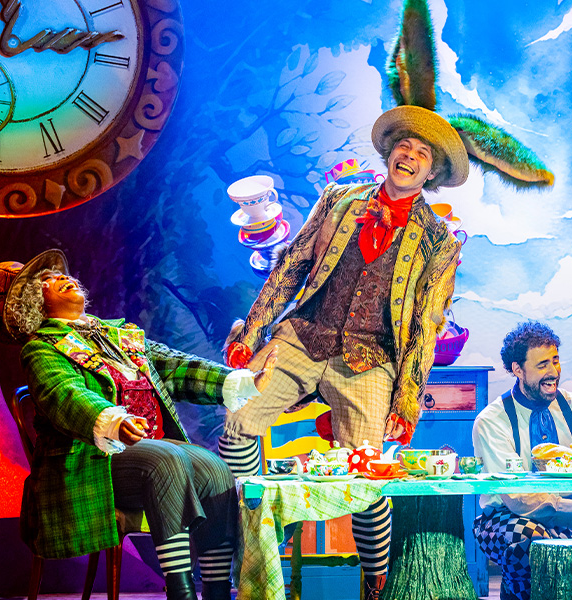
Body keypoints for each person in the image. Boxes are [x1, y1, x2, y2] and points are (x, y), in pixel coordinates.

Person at [219, 105, 468, 596]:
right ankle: (252, 541)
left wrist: (407, 398)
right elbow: (292, 265)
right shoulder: (340, 198)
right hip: (306, 336)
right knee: (238, 421)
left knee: (366, 475)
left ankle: (373, 579)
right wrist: (252, 331)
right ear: (389, 152)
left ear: (431, 173)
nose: (409, 157)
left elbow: (426, 324)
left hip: (369, 358)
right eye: (404, 146)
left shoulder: (439, 240)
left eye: (422, 154)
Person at [0, 250, 277, 600]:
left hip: (151, 453)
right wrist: (112, 421)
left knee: (216, 470)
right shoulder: (41, 349)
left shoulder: (116, 336)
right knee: (165, 460)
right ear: (31, 304)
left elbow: (175, 366)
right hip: (91, 463)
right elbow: (65, 395)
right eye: (44, 282)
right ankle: (180, 591)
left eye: (57, 274)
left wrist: (243, 381)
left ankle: (215, 589)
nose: (60, 277)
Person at [471, 321, 572, 600]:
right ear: (518, 369)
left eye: (555, 361)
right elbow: (517, 497)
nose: (553, 372)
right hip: (505, 517)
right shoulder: (492, 422)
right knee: (534, 542)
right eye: (542, 365)